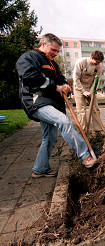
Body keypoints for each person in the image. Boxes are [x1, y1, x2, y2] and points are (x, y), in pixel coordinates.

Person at [16, 33, 97, 178]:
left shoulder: (53, 64)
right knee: (64, 122)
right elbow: (30, 78)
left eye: (58, 51)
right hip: (36, 102)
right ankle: (85, 156)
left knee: (50, 138)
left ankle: (40, 169)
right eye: (53, 50)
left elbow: (59, 79)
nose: (55, 53)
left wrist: (65, 85)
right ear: (43, 44)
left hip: (51, 103)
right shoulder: (29, 58)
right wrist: (56, 87)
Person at [73, 50, 104, 131]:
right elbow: (75, 79)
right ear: (91, 58)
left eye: (99, 62)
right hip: (79, 87)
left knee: (95, 108)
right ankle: (83, 130)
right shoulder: (81, 62)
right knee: (81, 110)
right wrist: (83, 91)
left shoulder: (99, 66)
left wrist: (91, 91)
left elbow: (97, 81)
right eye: (96, 62)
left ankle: (98, 129)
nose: (98, 64)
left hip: (90, 88)